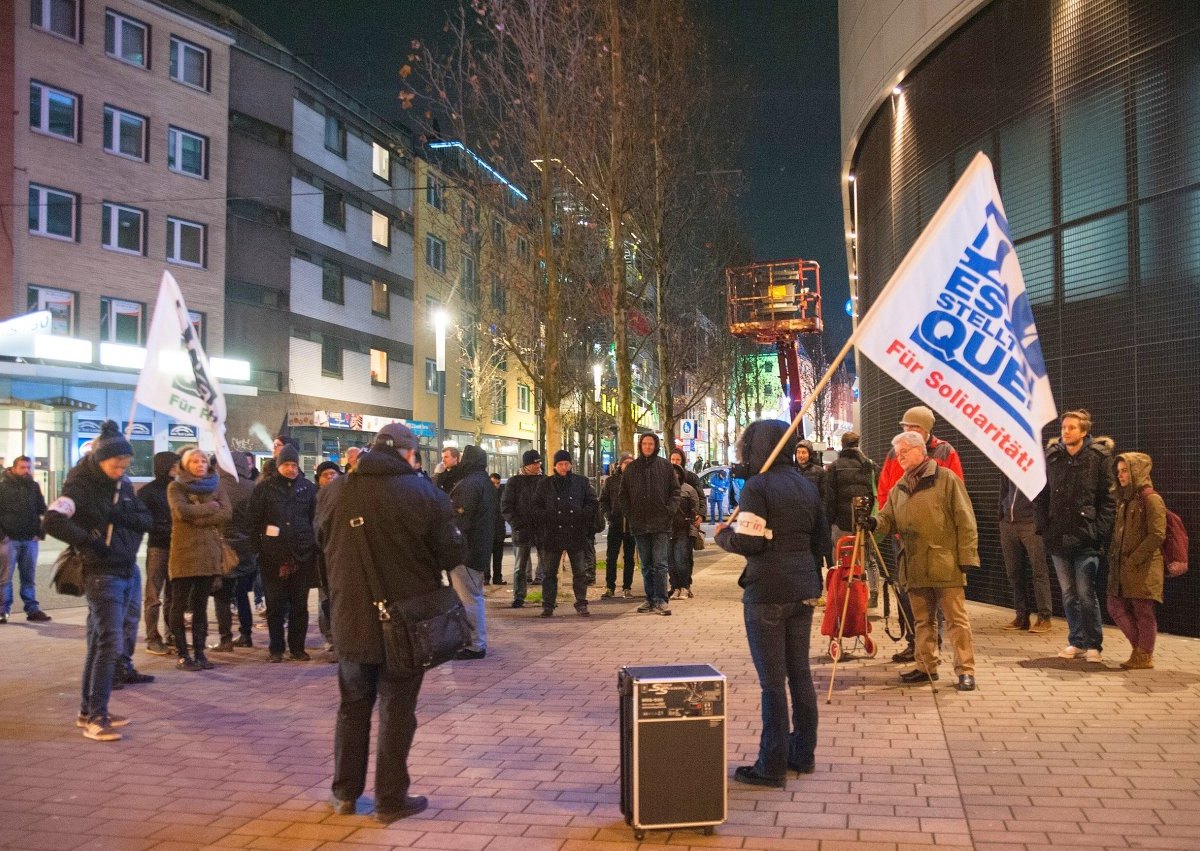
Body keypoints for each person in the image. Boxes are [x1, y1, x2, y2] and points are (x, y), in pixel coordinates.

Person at [316, 422, 465, 824]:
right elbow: (452, 553)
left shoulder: (333, 491)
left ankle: (344, 793)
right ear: (408, 454)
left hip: (350, 617)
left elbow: (321, 547)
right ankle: (390, 798)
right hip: (405, 622)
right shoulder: (423, 493)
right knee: (397, 709)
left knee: (352, 706)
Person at [715, 419, 829, 787]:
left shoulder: (757, 486)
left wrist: (723, 538)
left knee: (772, 683)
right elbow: (820, 541)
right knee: (800, 675)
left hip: (768, 592)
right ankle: (804, 754)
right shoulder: (807, 485)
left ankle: (772, 764)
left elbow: (750, 543)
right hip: (805, 586)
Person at [43, 421, 152, 741]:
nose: (121, 469)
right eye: (116, 464)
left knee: (98, 643)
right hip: (101, 572)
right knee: (109, 643)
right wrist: (87, 541)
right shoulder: (80, 488)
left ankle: (87, 709)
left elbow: (146, 519)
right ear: (100, 459)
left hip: (126, 567)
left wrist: (122, 517)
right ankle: (96, 716)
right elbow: (53, 520)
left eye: (126, 465)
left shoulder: (123, 486)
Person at [861, 431, 979, 691]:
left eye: (904, 452)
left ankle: (966, 671)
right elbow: (886, 519)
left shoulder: (946, 479)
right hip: (913, 564)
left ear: (920, 450)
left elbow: (965, 520)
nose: (900, 457)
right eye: (897, 454)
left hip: (944, 562)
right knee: (923, 621)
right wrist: (872, 522)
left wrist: (967, 556)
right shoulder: (899, 487)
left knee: (956, 621)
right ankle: (926, 667)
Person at [877, 405, 964, 663]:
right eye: (905, 428)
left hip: (937, 542)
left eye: (912, 428)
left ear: (925, 431)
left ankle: (939, 650)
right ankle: (915, 644)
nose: (907, 432)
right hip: (904, 539)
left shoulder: (945, 452)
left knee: (944, 601)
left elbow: (957, 495)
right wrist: (889, 522)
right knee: (910, 596)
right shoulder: (896, 452)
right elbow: (885, 490)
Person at [1035, 409, 1115, 663]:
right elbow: (1042, 494)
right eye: (1063, 428)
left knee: (1085, 592)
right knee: (1068, 593)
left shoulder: (1098, 457)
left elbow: (1108, 499)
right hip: (1059, 536)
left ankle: (1094, 645)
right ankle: (1076, 641)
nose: (1065, 432)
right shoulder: (1053, 457)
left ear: (1084, 432)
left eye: (1071, 428)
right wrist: (1044, 528)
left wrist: (1098, 530)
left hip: (1086, 537)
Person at [247, 443, 318, 662]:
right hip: (272, 557)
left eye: (294, 464)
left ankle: (297, 648)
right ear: (279, 465)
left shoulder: (308, 488)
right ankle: (276, 648)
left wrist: (311, 545)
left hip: (302, 555)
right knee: (275, 604)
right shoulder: (264, 489)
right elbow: (253, 522)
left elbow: (315, 520)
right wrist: (259, 550)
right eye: (286, 464)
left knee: (300, 605)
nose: (291, 468)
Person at [166, 448, 232, 671]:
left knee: (201, 606)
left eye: (203, 460)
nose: (200, 464)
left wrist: (200, 516)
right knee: (179, 604)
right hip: (184, 553)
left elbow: (226, 513)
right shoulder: (176, 486)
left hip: (208, 553)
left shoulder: (216, 484)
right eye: (194, 461)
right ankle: (183, 654)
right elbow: (182, 512)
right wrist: (210, 508)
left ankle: (200, 653)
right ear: (185, 465)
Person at [1107, 453, 1166, 670]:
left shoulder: (1151, 499)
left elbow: (1158, 534)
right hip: (1123, 566)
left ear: (1136, 472)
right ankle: (1140, 650)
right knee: (1115, 606)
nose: (1120, 475)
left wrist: (1134, 558)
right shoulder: (1124, 499)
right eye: (1119, 471)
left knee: (1143, 610)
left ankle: (1144, 655)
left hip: (1144, 566)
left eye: (1125, 470)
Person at [532, 449, 598, 617]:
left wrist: (583, 514)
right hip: (553, 533)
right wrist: (547, 516)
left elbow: (592, 502)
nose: (563, 467)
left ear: (570, 465)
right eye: (560, 464)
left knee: (580, 572)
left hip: (575, 532)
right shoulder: (545, 484)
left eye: (566, 464)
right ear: (554, 466)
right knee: (549, 573)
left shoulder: (580, 482)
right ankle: (548, 605)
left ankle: (581, 602)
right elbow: (536, 506)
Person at [620, 432, 680, 615]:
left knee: (660, 563)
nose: (647, 447)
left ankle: (661, 599)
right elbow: (623, 495)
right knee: (646, 564)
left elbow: (675, 492)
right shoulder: (632, 469)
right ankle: (649, 598)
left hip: (661, 523)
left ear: (656, 446)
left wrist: (669, 511)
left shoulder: (665, 467)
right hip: (639, 524)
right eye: (644, 444)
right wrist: (630, 514)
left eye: (651, 444)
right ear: (640, 446)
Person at [443, 445, 494, 659]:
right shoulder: (484, 482)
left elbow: (460, 521)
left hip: (467, 551)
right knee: (472, 596)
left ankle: (475, 644)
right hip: (478, 548)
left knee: (469, 598)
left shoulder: (469, 484)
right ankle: (472, 641)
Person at [212, 451, 258, 652]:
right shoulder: (252, 487)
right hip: (247, 547)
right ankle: (246, 634)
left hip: (225, 547)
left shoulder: (217, 486)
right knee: (241, 593)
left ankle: (225, 638)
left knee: (222, 595)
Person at [998, 474, 1053, 634]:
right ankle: (1021, 616)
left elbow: (1045, 494)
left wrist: (1040, 519)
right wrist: (1002, 515)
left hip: (1030, 523)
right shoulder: (1007, 465)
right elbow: (1003, 490)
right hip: (1009, 523)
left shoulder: (1035, 465)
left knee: (1039, 572)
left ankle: (1044, 617)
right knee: (1014, 573)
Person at [0, 456, 50, 623]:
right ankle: (2, 610)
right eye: (22, 467)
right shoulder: (3, 486)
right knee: (5, 577)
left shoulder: (33, 486)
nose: (26, 470)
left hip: (30, 539)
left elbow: (41, 509)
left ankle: (32, 609)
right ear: (13, 468)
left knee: (28, 577)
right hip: (9, 540)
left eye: (28, 467)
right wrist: (2, 536)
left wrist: (40, 532)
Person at [138, 452, 178, 654]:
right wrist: (165, 527)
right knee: (153, 594)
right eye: (173, 465)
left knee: (174, 594)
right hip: (158, 547)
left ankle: (172, 633)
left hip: (178, 547)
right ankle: (152, 637)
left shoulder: (179, 488)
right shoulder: (149, 492)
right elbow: (144, 520)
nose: (176, 468)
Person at [501, 450, 544, 608]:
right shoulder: (514, 482)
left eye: (539, 463)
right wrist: (516, 523)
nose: (538, 466)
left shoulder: (544, 480)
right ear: (526, 465)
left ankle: (548, 596)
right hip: (522, 529)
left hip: (541, 529)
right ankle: (519, 595)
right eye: (534, 463)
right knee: (520, 566)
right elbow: (506, 506)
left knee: (546, 563)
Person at [599, 453, 636, 598]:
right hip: (615, 523)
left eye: (630, 462)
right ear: (620, 464)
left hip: (631, 525)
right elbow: (603, 500)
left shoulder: (637, 480)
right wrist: (609, 515)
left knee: (629, 557)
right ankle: (610, 586)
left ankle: (627, 587)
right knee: (611, 556)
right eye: (625, 462)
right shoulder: (611, 481)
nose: (628, 465)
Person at [668, 464, 702, 599]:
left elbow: (695, 511)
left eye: (677, 474)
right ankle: (675, 587)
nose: (674, 476)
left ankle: (684, 587)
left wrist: (693, 531)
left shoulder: (689, 490)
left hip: (684, 530)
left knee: (681, 559)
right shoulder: (665, 491)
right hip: (668, 530)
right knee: (671, 562)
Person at [488, 473, 507, 585]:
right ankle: (486, 577)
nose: (496, 485)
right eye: (493, 483)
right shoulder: (485, 494)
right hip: (488, 530)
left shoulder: (502, 495)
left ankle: (497, 578)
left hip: (499, 529)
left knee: (498, 556)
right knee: (487, 557)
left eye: (498, 483)